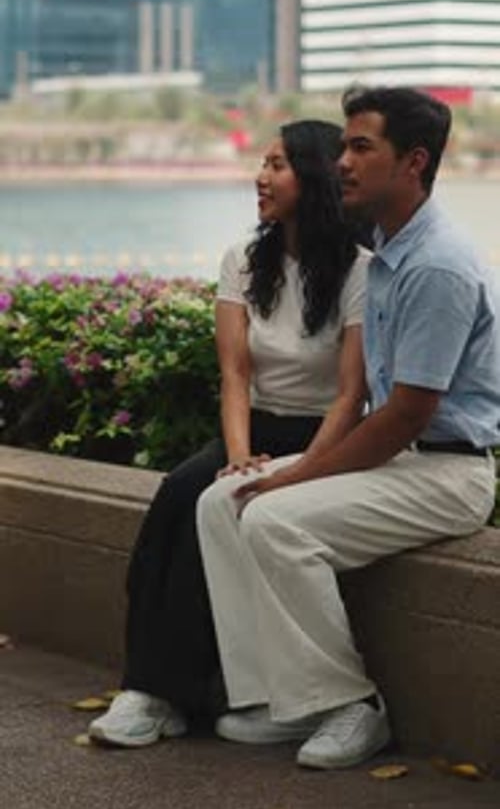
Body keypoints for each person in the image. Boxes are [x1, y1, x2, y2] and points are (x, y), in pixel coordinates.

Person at [196, 85, 500, 771]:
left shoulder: (438, 264)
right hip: (403, 462)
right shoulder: (391, 249)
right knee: (219, 501)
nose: (341, 163)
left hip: (447, 473)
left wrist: (298, 475)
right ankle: (281, 698)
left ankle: (349, 705)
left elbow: (405, 416)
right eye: (343, 147)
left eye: (361, 147)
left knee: (275, 521)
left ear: (413, 162)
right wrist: (271, 471)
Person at [88, 118, 372, 747]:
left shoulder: (361, 269)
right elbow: (235, 373)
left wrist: (301, 468)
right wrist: (240, 457)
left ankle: (207, 693)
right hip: (257, 430)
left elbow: (352, 394)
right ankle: (153, 694)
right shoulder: (243, 258)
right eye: (261, 164)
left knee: (226, 506)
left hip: (324, 437)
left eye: (277, 165)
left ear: (316, 175)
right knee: (178, 498)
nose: (260, 177)